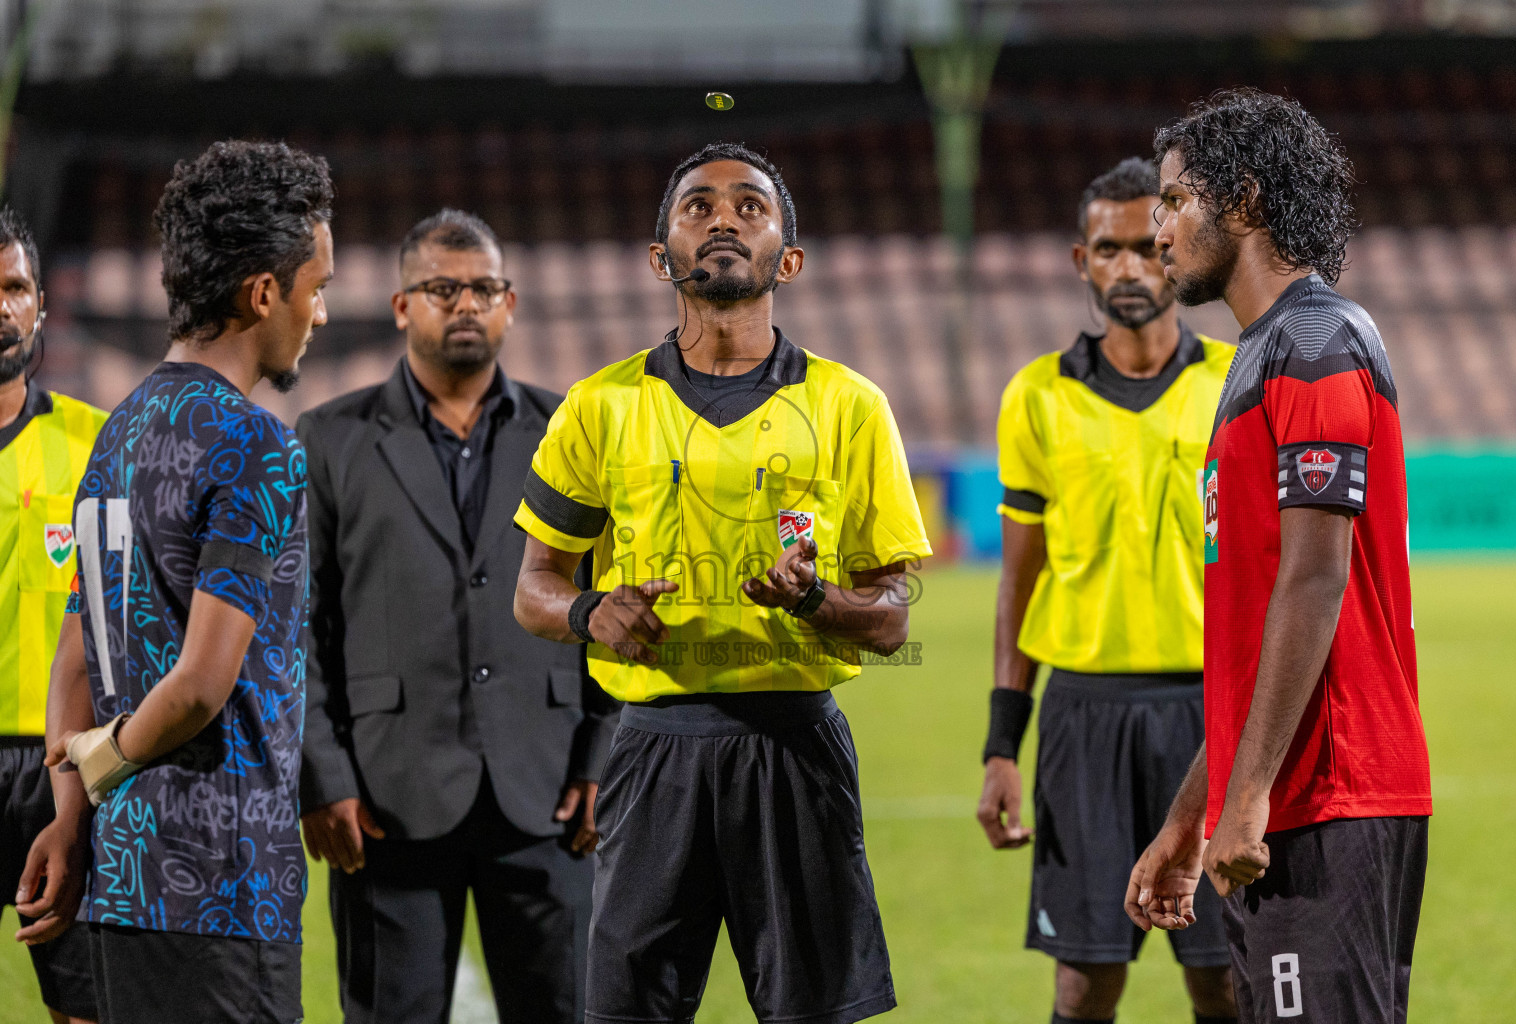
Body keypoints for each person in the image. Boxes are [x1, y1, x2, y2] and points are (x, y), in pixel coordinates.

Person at [512, 142, 930, 1024]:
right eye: (699, 207)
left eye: (750, 206)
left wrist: (816, 601)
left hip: (796, 748)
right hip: (654, 746)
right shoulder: (600, 404)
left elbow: (893, 621)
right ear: (661, 256)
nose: (726, 220)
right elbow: (534, 590)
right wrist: (592, 612)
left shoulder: (851, 405)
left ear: (790, 257)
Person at [1127, 88, 1431, 1024]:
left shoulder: (1316, 344)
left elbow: (1315, 579)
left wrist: (1246, 798)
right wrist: (1192, 818)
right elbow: (1260, 639)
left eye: (1175, 202)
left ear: (1246, 200)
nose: (1157, 233)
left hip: (1330, 798)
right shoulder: (1260, 359)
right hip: (1277, 807)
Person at [34, 139, 333, 1024]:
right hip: (222, 885)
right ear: (263, 292)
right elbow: (204, 685)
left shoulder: (117, 430)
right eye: (316, 288)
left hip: (123, 886)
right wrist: (100, 767)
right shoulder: (257, 444)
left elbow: (75, 655)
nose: (320, 314)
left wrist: (68, 815)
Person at [297, 209, 618, 1024]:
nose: (466, 304)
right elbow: (299, 626)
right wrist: (323, 776)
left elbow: (615, 610)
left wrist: (602, 753)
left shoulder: (572, 431)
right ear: (403, 307)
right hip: (382, 798)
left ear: (510, 304)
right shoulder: (329, 439)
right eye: (443, 288)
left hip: (548, 791)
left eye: (484, 288)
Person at [978, 158, 1237, 1024]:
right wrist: (1000, 743)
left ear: (1172, 251)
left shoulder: (1237, 382)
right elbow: (1020, 580)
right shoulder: (1036, 397)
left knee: (1227, 976)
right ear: (1079, 261)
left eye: (1142, 247)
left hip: (1213, 713)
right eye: (1106, 250)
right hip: (1081, 718)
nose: (1128, 266)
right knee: (1084, 984)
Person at [2, 206, 104, 1024]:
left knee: (87, 1007)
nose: (2, 306)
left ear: (39, 305)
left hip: (60, 770)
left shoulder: (97, 446)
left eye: (15, 288)